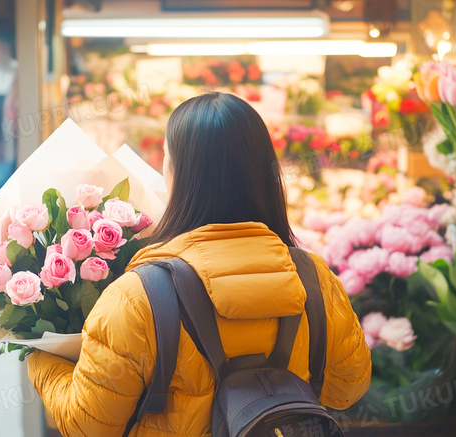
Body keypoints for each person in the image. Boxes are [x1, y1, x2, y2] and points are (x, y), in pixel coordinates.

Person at [27, 92, 371, 436]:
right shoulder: (314, 279)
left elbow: (90, 426)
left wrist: (40, 359)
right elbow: (347, 388)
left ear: (177, 173)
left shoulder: (137, 297)